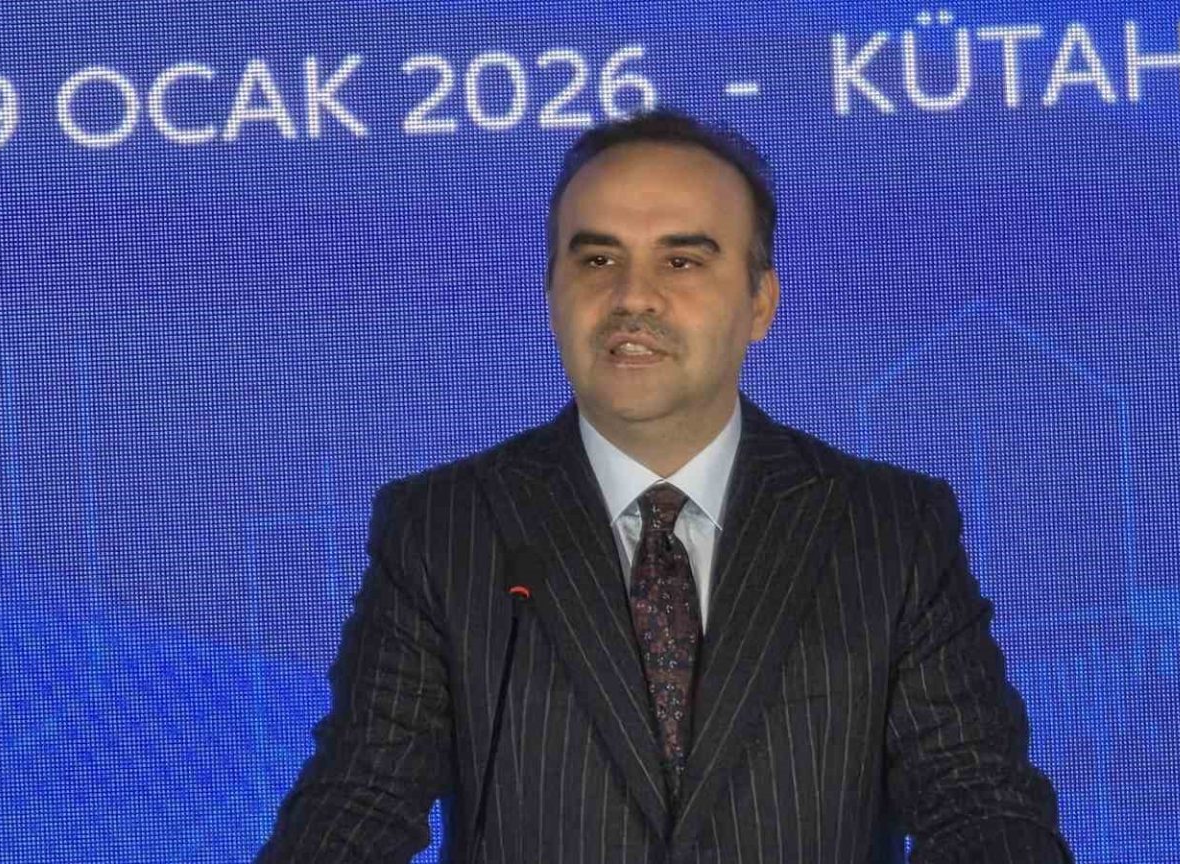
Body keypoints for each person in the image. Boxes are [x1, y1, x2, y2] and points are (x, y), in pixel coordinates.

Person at [258, 109, 1072, 863]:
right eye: (597, 260)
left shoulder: (889, 530)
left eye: (681, 261)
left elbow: (982, 808)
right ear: (552, 295)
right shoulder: (444, 529)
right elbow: (358, 805)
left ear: (760, 303)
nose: (633, 297)